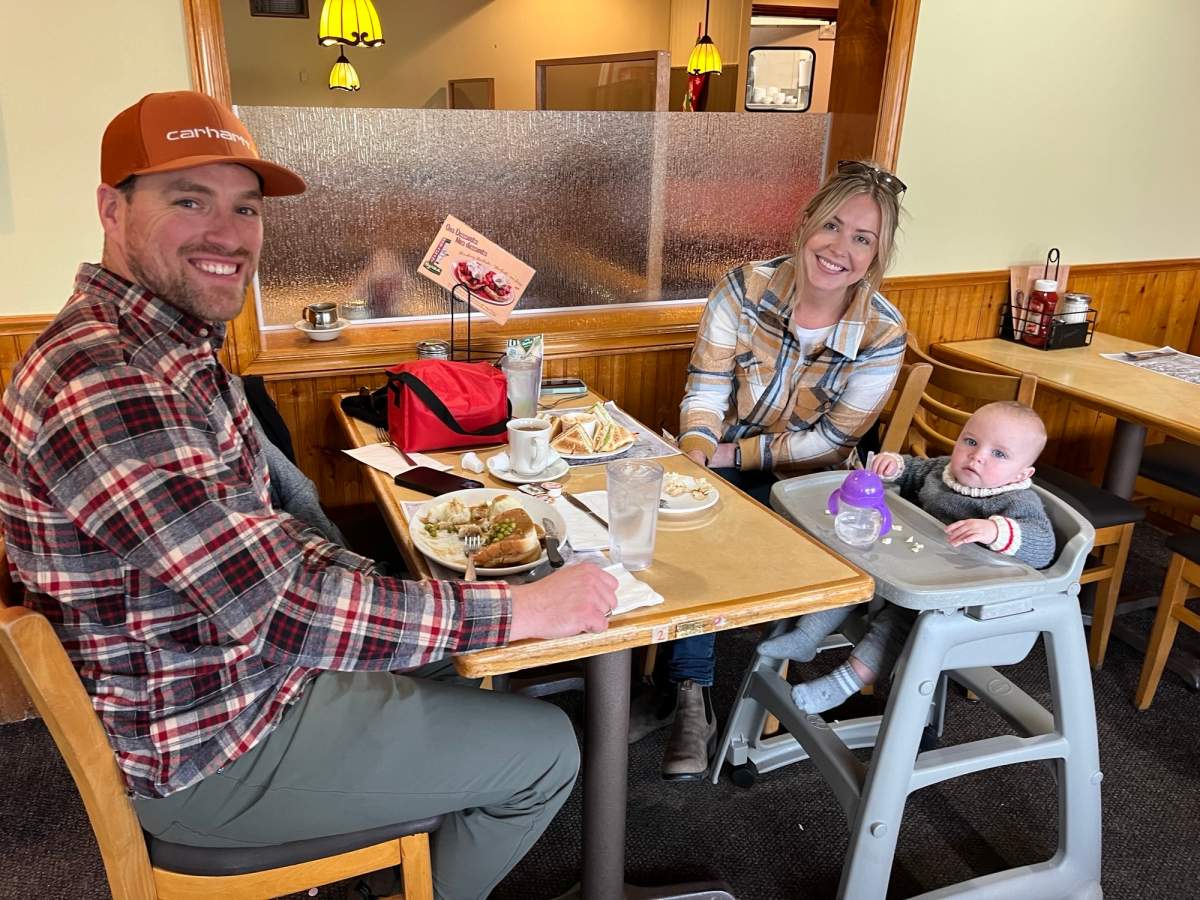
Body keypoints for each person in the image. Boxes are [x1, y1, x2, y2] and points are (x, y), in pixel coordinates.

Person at [0, 91, 618, 900]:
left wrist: (407, 594)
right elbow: (283, 605)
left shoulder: (163, 345)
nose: (228, 234)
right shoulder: (106, 383)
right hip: (211, 747)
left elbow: (268, 542)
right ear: (112, 209)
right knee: (545, 751)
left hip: (237, 679)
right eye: (190, 201)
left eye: (245, 209)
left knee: (461, 664)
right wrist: (528, 611)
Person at [645, 161, 909, 781]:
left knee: (714, 518)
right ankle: (688, 690)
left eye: (862, 239)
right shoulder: (741, 288)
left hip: (816, 480)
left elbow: (831, 440)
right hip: (726, 454)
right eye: (832, 226)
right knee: (686, 513)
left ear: (876, 257)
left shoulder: (883, 332)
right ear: (805, 225)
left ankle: (686, 683)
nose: (840, 248)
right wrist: (695, 449)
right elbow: (707, 389)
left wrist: (727, 459)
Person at [760, 401, 1056, 713]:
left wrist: (995, 531)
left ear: (1023, 472)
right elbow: (914, 470)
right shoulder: (945, 471)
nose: (978, 455)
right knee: (852, 577)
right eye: (971, 441)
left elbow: (1043, 544)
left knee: (896, 624)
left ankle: (842, 683)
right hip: (910, 571)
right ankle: (806, 635)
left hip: (948, 599)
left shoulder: (1018, 500)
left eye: (999, 454)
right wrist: (894, 465)